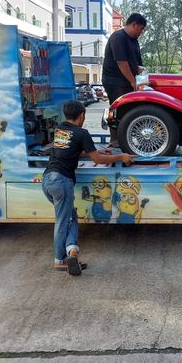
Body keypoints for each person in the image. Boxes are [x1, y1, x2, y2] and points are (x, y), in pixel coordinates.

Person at [42, 100, 134, 276]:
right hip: (62, 181)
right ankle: (60, 259)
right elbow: (97, 161)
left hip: (47, 180)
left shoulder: (60, 129)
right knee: (64, 220)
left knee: (69, 218)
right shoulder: (82, 133)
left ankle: (71, 252)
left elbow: (71, 150)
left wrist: (98, 152)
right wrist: (120, 157)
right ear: (82, 115)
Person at [102, 13, 147, 147]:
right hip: (115, 81)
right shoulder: (118, 37)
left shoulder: (134, 41)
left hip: (128, 80)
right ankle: (115, 140)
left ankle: (127, 137)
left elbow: (137, 63)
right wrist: (133, 81)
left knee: (131, 110)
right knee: (117, 110)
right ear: (134, 25)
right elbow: (122, 63)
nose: (141, 32)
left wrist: (142, 75)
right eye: (141, 29)